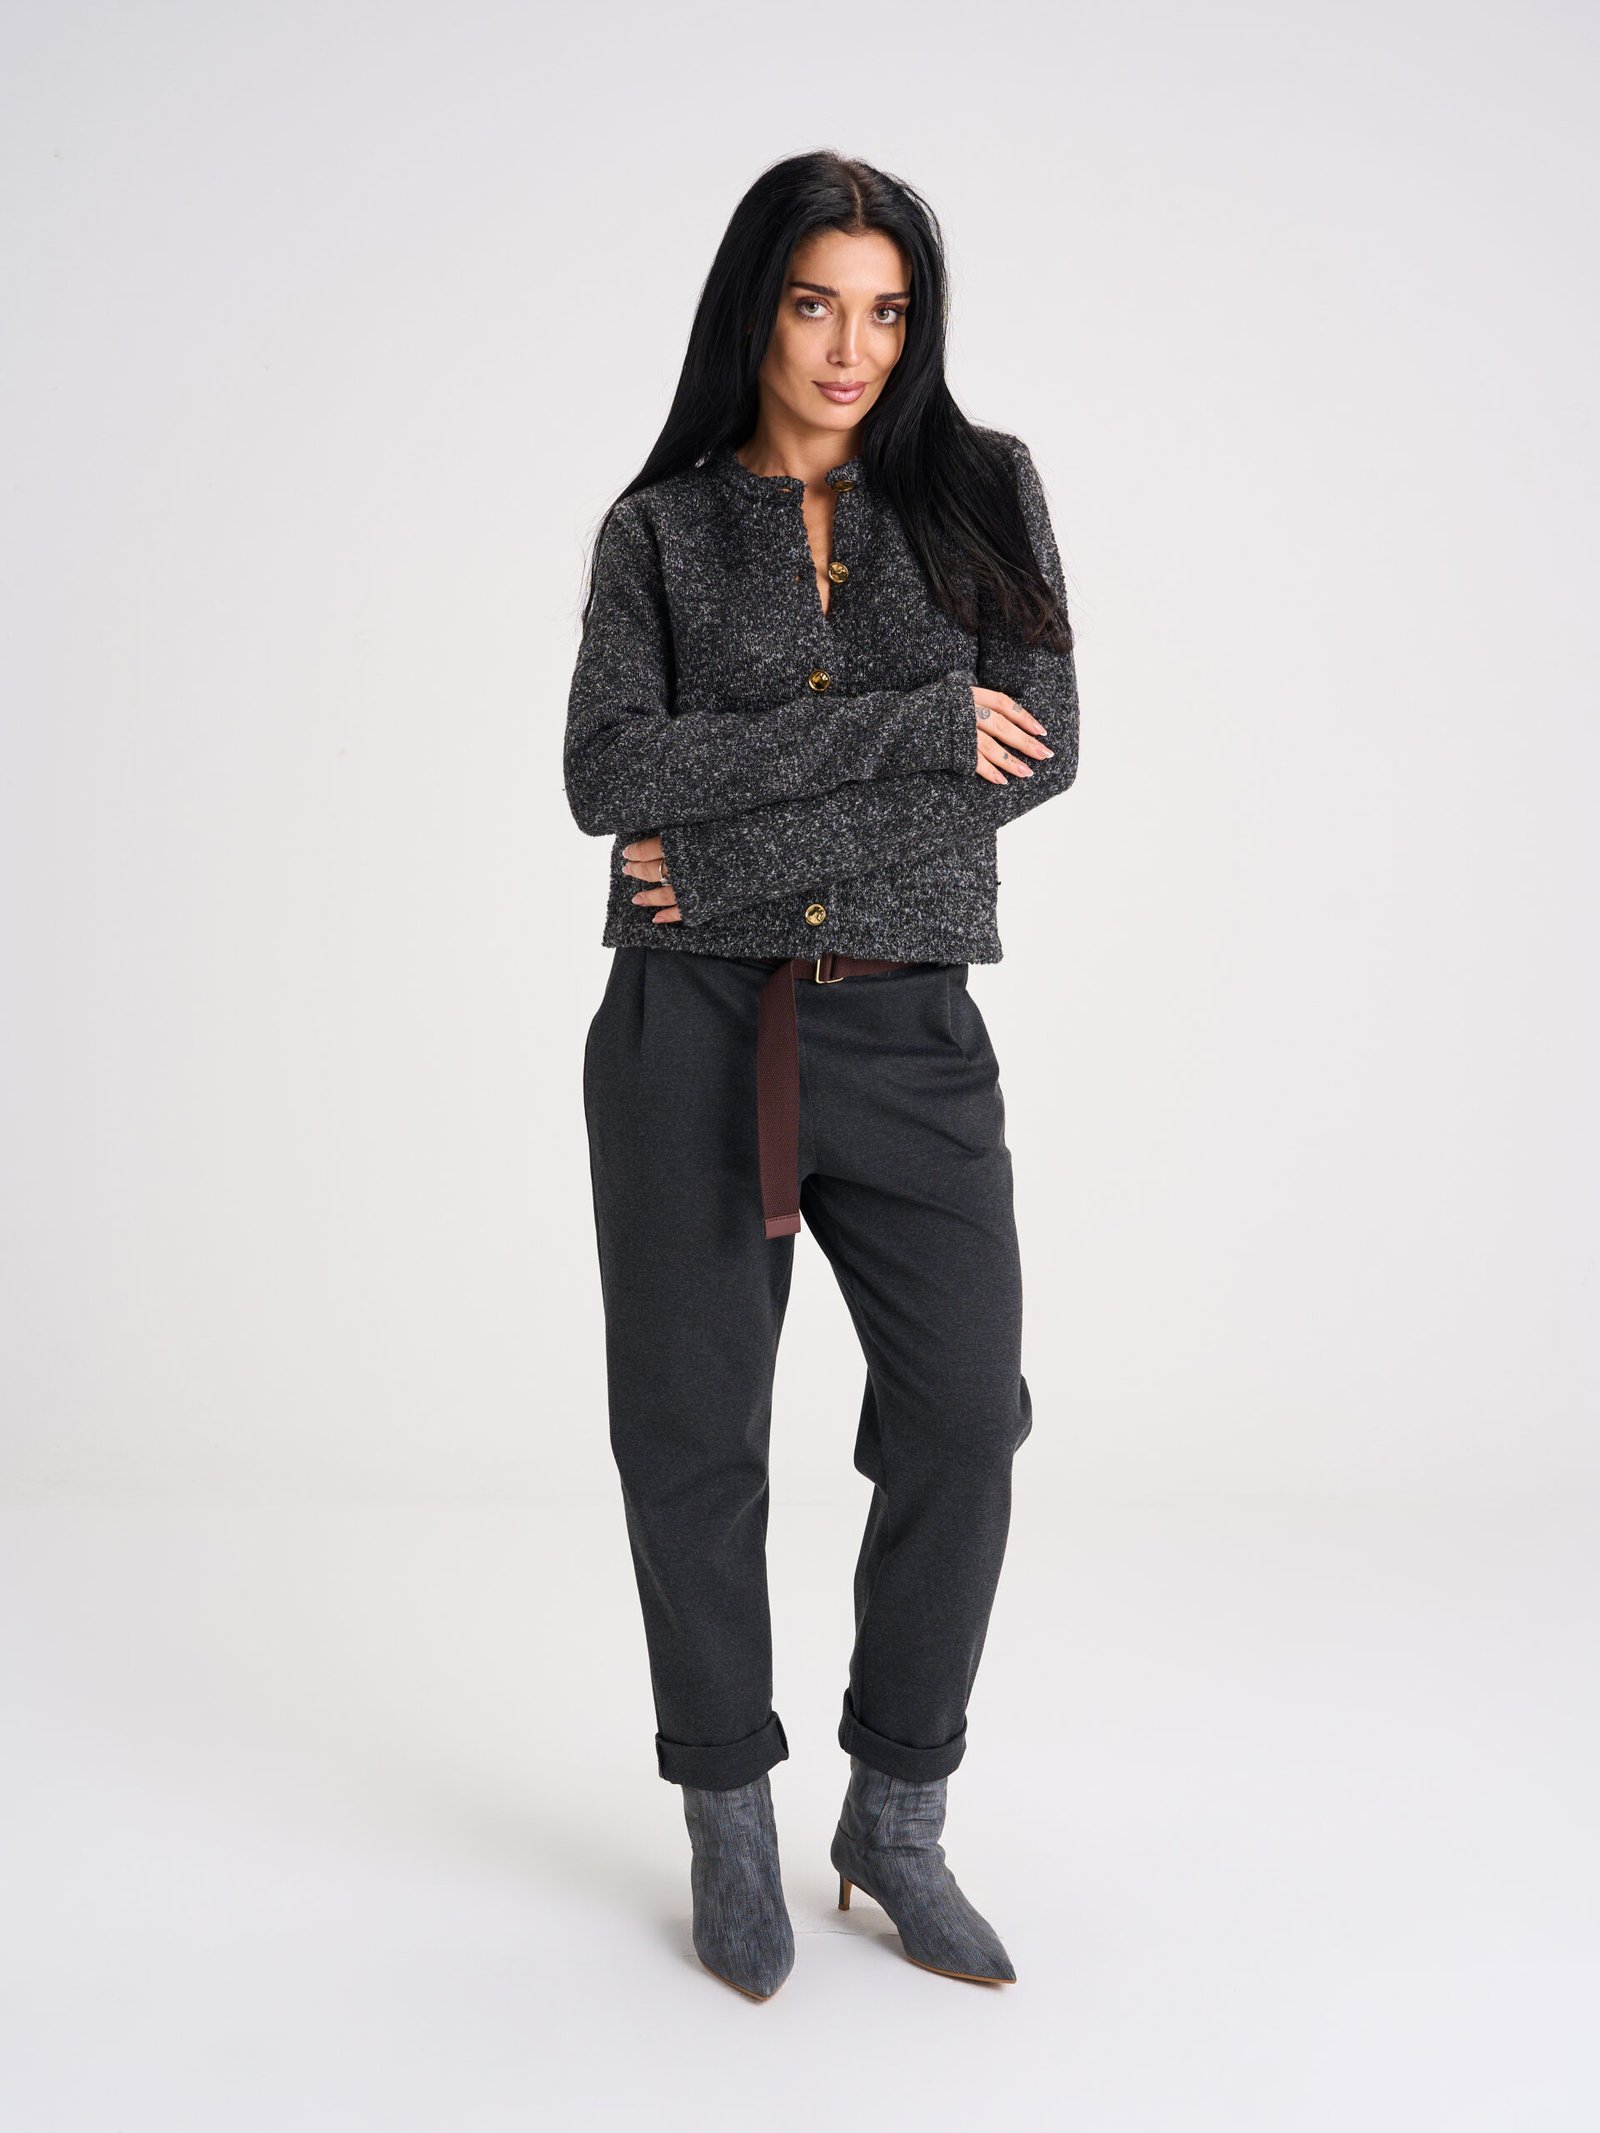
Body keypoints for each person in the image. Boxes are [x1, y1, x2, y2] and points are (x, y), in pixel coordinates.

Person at [563, 149, 1081, 1999]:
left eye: (886, 309)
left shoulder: (983, 492)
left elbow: (1036, 756)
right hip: (687, 1038)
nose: (853, 346)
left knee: (965, 1415)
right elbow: (607, 778)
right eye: (815, 304)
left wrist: (722, 860)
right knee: (691, 1438)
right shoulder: (659, 532)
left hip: (910, 1029)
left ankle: (897, 1815)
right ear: (756, 309)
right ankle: (727, 1819)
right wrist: (912, 732)